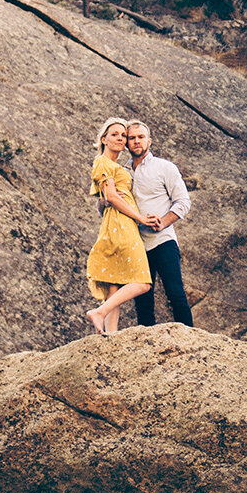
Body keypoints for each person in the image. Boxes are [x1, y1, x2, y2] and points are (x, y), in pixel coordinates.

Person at [84, 117, 158, 335]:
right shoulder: (103, 162)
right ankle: (99, 312)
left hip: (117, 221)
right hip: (121, 222)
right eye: (114, 134)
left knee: (114, 282)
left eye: (123, 135)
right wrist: (141, 218)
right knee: (143, 282)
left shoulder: (115, 165)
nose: (120, 138)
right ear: (104, 139)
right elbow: (112, 196)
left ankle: (110, 333)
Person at [125, 121, 194, 327]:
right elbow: (107, 207)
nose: (137, 141)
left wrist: (163, 222)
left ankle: (191, 340)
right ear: (127, 143)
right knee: (143, 301)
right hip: (136, 244)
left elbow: (183, 202)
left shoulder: (165, 167)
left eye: (141, 137)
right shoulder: (122, 172)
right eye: (132, 138)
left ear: (149, 140)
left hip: (163, 240)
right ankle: (148, 348)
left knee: (176, 293)